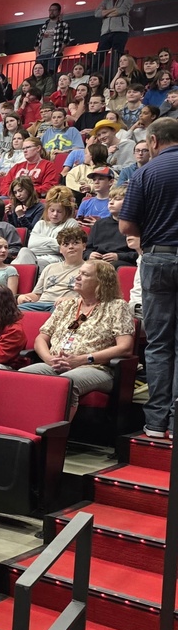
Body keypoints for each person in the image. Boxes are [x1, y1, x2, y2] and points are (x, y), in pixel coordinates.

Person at [118, 118, 178, 436]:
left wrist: (151, 237)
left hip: (158, 257)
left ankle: (156, 422)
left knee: (158, 345)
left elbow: (126, 227)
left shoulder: (145, 173)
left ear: (153, 141)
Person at [19, 261, 135, 418]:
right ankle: (24, 424)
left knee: (66, 382)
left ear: (101, 282)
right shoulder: (67, 305)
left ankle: (55, 437)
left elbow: (125, 347)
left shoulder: (117, 306)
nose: (77, 277)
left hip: (96, 368)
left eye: (85, 275)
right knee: (21, 376)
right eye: (79, 273)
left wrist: (82, 359)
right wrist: (49, 358)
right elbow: (42, 337)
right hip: (56, 364)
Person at [94, 0, 134, 68]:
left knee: (117, 55)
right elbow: (97, 13)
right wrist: (114, 11)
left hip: (120, 30)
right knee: (99, 56)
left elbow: (123, 9)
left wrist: (106, 12)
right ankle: (93, 75)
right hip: (105, 31)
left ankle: (115, 75)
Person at [34, 2, 71, 74]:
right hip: (41, 55)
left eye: (54, 10)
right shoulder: (44, 26)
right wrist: (37, 54)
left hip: (53, 54)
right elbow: (37, 42)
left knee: (51, 73)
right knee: (39, 74)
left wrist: (59, 52)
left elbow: (66, 40)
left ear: (59, 12)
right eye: (50, 10)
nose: (51, 12)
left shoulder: (63, 24)